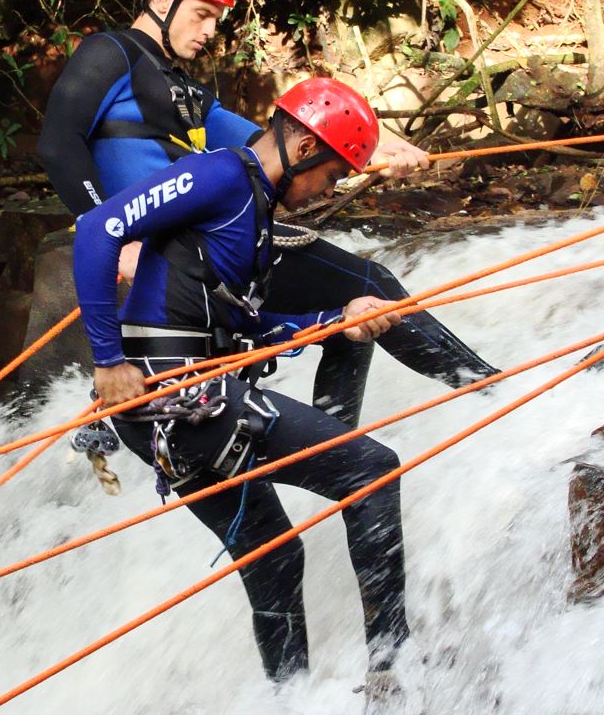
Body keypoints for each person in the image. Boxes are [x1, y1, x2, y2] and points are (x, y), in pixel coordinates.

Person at [39, 0, 498, 428]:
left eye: (217, 18)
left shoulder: (184, 87)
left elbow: (274, 144)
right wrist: (118, 237)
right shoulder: (110, 53)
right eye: (201, 14)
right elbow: (59, 141)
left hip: (209, 239)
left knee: (350, 318)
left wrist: (372, 151)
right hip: (187, 248)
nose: (210, 31)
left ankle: (338, 443)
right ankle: (491, 391)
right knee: (372, 284)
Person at [73, 78, 409, 689]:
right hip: (176, 396)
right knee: (373, 470)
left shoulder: (251, 208)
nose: (325, 194)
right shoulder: (224, 177)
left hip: (178, 406)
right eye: (331, 177)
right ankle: (394, 677)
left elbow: (249, 327)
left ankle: (293, 702)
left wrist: (338, 321)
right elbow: (99, 229)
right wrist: (105, 359)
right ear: (305, 148)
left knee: (275, 557)